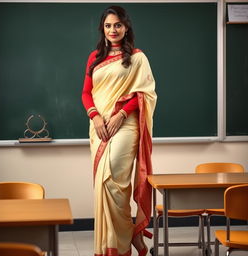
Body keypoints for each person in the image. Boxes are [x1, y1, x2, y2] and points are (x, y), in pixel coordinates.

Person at [82, 6, 157, 256]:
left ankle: (124, 240)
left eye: (117, 25)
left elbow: (144, 93)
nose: (113, 30)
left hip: (126, 125)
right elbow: (86, 93)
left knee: (115, 181)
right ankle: (128, 236)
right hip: (99, 126)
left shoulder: (137, 57)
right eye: (108, 25)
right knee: (103, 186)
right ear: (102, 29)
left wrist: (122, 114)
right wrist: (95, 117)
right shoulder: (94, 57)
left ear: (126, 27)